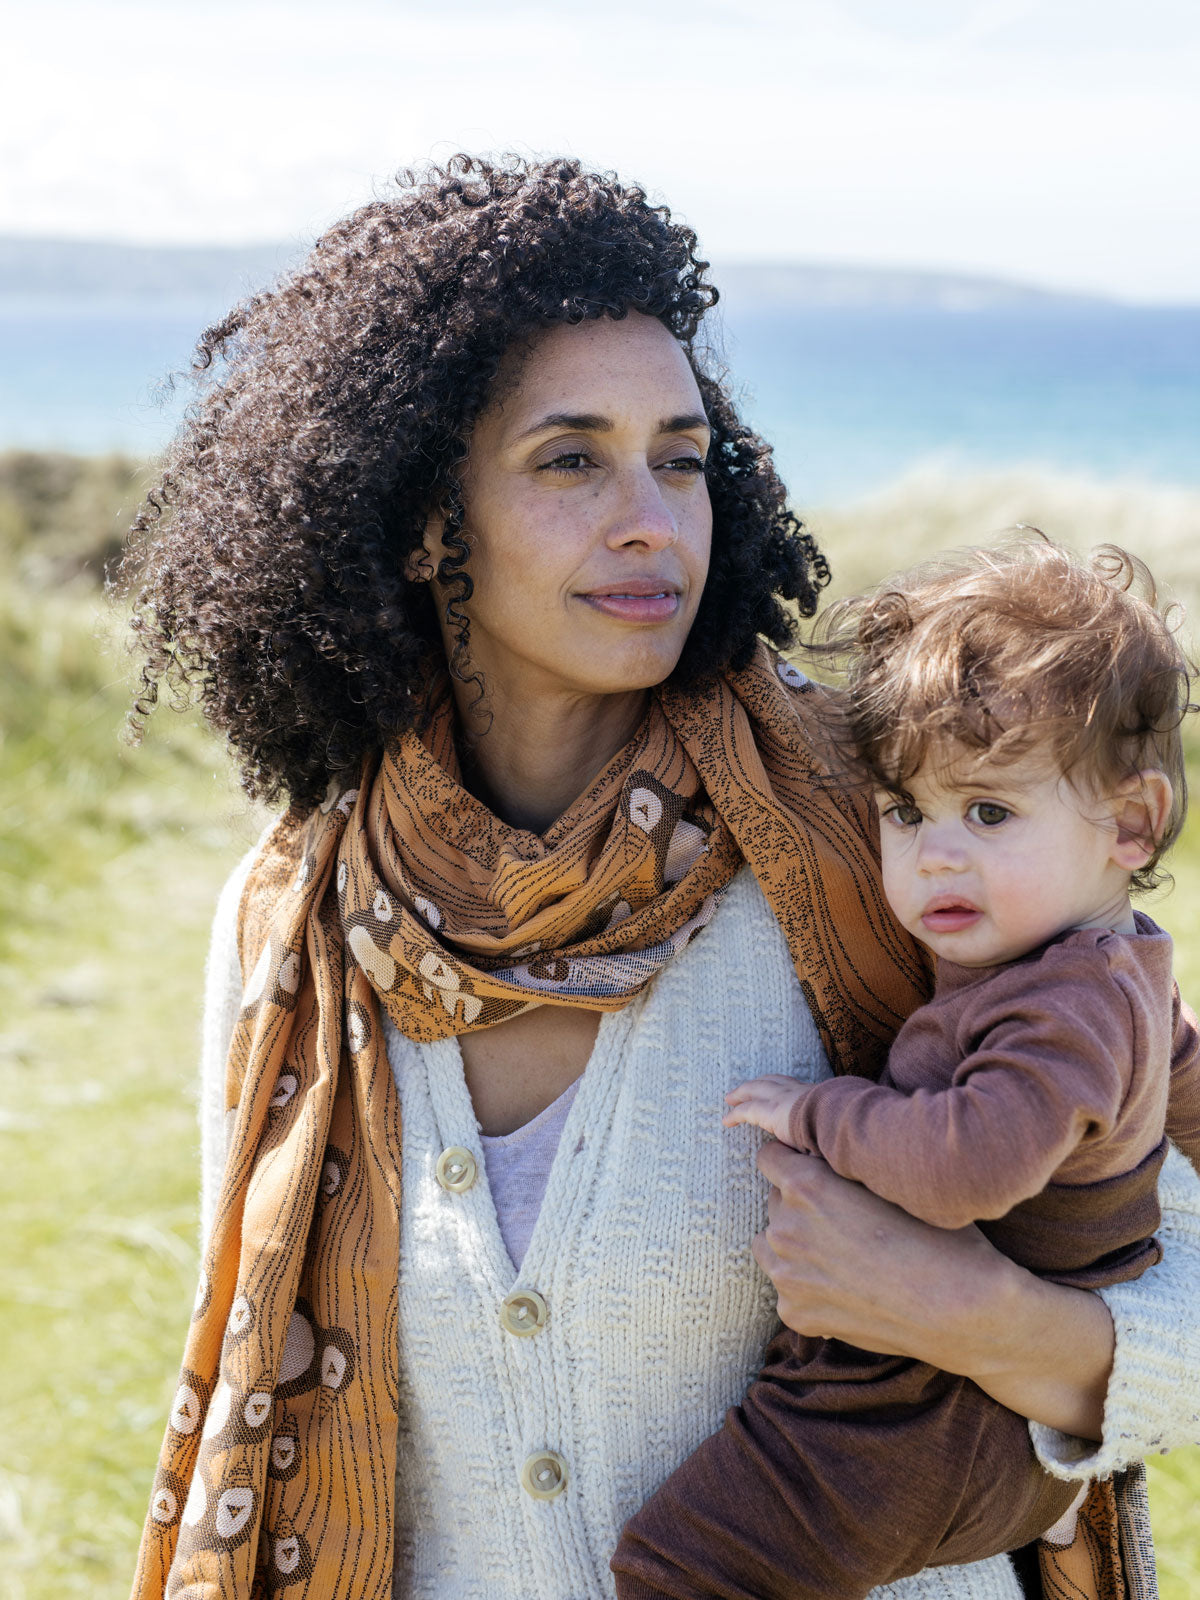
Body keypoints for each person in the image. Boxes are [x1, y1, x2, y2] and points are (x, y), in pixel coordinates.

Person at [120, 157, 1200, 1600]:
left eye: (681, 459)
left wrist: (994, 1319)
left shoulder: (879, 843)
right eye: (572, 460)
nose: (651, 519)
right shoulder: (294, 923)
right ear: (429, 520)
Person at [614, 538, 1200, 1599]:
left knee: (686, 1566)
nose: (935, 855)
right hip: (955, 1411)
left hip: (929, 1417)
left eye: (987, 812)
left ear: (1132, 821)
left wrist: (826, 1113)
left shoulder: (1064, 1006)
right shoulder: (1120, 973)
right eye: (904, 811)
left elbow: (965, 1168)